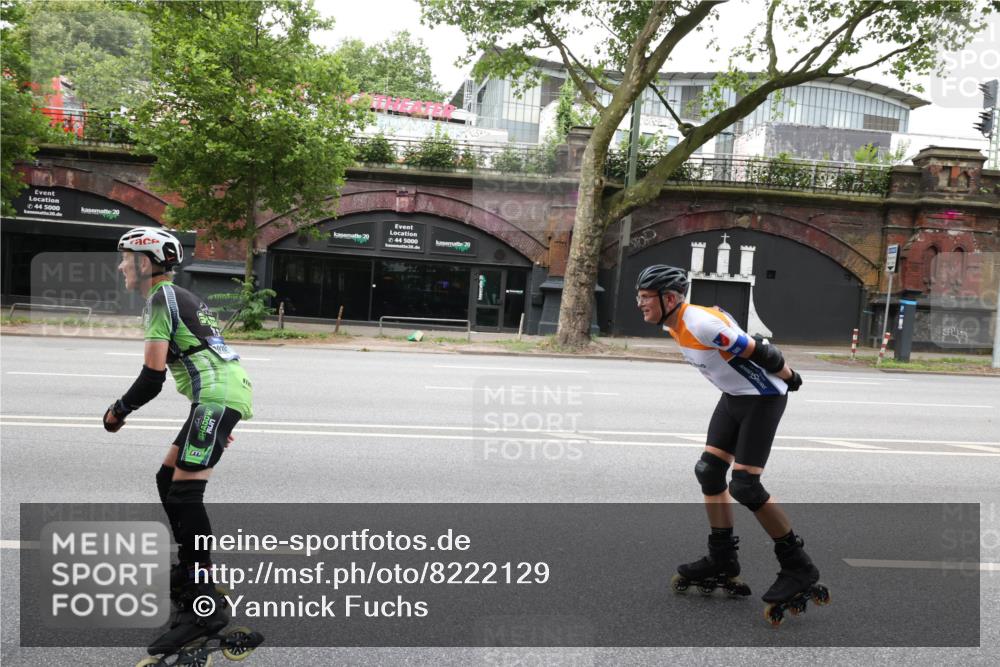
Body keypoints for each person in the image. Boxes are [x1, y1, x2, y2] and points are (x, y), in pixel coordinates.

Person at [103, 227, 253, 653]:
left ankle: (204, 608)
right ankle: (192, 572)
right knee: (167, 478)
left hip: (216, 397)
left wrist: (117, 412)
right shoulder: (179, 297)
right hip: (219, 395)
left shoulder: (158, 300)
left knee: (185, 494)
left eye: (126, 258)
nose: (120, 266)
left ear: (145, 263)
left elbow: (152, 379)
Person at [635, 264, 820, 608]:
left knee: (746, 486)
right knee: (708, 471)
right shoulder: (675, 323)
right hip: (734, 398)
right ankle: (722, 557)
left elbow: (761, 350)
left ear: (670, 298)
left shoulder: (700, 325)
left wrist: (790, 376)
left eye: (646, 297)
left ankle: (798, 567)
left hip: (762, 399)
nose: (640, 304)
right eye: (640, 297)